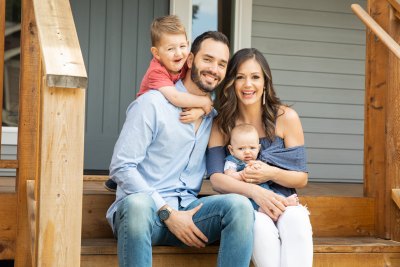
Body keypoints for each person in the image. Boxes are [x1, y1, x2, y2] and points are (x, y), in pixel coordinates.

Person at [106, 32, 255, 267]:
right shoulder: (152, 104)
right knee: (137, 204)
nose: (214, 69)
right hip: (147, 215)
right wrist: (167, 213)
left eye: (221, 64)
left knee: (240, 207)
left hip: (190, 214)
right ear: (190, 60)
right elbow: (121, 167)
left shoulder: (212, 118)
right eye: (207, 59)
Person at [207, 48, 313, 267]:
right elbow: (217, 179)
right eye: (240, 77)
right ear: (231, 83)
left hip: (284, 202)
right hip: (248, 206)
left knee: (298, 219)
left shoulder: (286, 118)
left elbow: (301, 179)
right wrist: (255, 191)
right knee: (260, 229)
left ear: (265, 82)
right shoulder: (221, 124)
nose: (248, 85)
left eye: (255, 77)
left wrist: (270, 172)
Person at [104, 15, 213, 192]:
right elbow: (176, 98)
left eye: (183, 46)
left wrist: (201, 111)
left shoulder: (184, 61)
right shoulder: (156, 71)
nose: (179, 53)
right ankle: (118, 180)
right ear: (156, 53)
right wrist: (204, 102)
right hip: (153, 111)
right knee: (144, 146)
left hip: (170, 108)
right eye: (170, 49)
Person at [224, 123, 299, 211]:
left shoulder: (258, 162)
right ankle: (262, 209)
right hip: (245, 194)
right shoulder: (231, 162)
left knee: (273, 194)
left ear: (258, 148)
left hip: (265, 191)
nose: (247, 152)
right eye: (241, 148)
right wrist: (242, 174)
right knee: (247, 202)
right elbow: (228, 177)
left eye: (252, 148)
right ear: (231, 150)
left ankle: (284, 201)